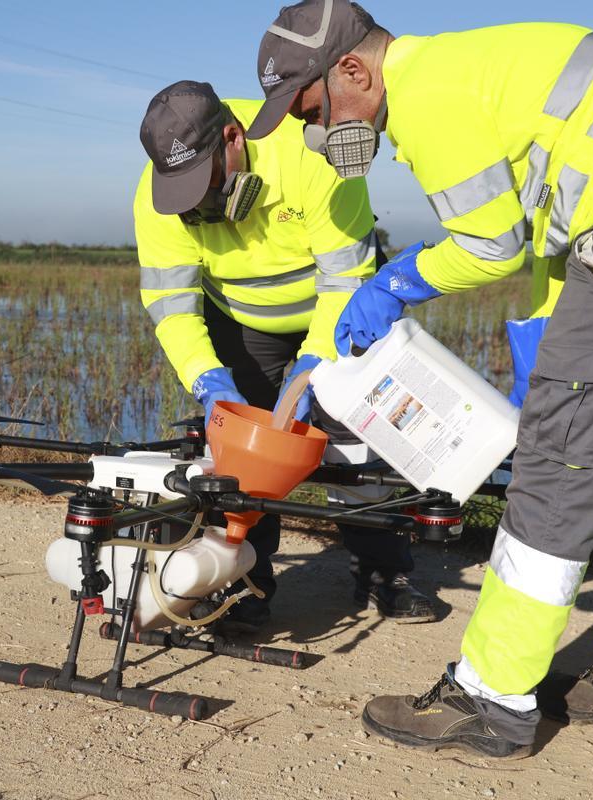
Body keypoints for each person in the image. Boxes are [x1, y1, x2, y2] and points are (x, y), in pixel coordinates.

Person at [249, 0, 593, 758]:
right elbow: (558, 213)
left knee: (559, 466)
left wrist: (397, 281)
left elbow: (487, 245)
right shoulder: (478, 66)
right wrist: (540, 328)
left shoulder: (428, 96)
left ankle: (492, 697)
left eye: (310, 109)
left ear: (354, 70)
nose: (313, 133)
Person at [134, 79, 438, 632]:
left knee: (360, 437)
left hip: (340, 310)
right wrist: (207, 380)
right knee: (242, 454)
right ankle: (246, 581)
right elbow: (170, 303)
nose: (199, 208)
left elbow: (345, 278)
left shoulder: (310, 152)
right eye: (186, 200)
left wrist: (313, 363)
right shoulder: (162, 195)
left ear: (233, 138)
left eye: (207, 188)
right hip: (244, 322)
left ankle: (382, 572)